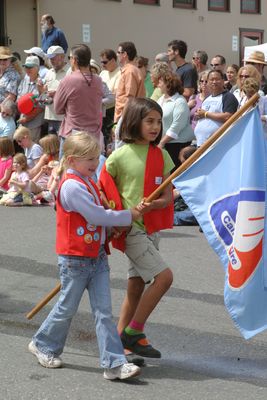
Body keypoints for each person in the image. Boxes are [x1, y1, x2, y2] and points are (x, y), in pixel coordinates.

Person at [28, 131, 141, 380]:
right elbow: (96, 216)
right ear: (71, 160)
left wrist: (109, 230)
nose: (94, 163)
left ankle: (113, 364)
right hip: (75, 258)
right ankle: (43, 344)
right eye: (88, 159)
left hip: (96, 256)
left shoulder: (88, 180)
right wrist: (127, 216)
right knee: (67, 307)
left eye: (96, 157)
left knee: (103, 311)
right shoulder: (71, 186)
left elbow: (99, 215)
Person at [99, 98, 174, 360]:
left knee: (136, 286)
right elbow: (103, 189)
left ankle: (119, 344)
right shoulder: (118, 156)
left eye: (158, 121)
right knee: (164, 278)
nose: (155, 126)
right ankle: (134, 332)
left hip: (151, 229)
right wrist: (112, 217)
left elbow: (168, 196)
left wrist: (154, 205)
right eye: (149, 121)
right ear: (134, 122)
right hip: (130, 230)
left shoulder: (162, 155)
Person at [54, 44, 104, 156]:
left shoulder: (68, 80)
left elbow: (57, 109)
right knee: (89, 172)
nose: (70, 61)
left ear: (75, 60)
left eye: (70, 58)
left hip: (73, 136)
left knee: (67, 171)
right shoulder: (98, 80)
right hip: (93, 136)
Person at [156, 71, 195, 169]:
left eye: (160, 82)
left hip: (178, 146)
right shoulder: (161, 99)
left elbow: (176, 127)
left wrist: (161, 142)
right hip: (165, 144)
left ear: (168, 85)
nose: (158, 85)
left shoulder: (180, 102)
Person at [194, 70, 238, 147]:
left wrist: (205, 114)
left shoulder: (228, 97)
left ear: (223, 81)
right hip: (200, 144)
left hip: (216, 145)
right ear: (207, 82)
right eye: (211, 79)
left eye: (217, 79)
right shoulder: (207, 98)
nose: (214, 82)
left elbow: (228, 117)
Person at [114, 41, 145, 123]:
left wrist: (121, 121)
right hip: (127, 116)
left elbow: (130, 98)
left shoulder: (129, 71)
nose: (117, 55)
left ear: (124, 54)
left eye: (118, 52)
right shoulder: (130, 70)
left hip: (126, 118)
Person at [41, 45, 69, 134]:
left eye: (53, 58)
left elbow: (74, 93)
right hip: (50, 116)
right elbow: (44, 94)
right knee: (52, 146)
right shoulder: (49, 72)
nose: (51, 60)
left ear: (62, 56)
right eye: (50, 58)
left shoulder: (70, 71)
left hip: (64, 117)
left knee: (63, 146)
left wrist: (57, 94)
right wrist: (42, 91)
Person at [17, 56, 45, 142]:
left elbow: (42, 106)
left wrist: (27, 118)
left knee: (33, 148)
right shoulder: (24, 81)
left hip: (34, 123)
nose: (28, 69)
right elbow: (19, 98)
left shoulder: (42, 83)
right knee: (22, 147)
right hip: (23, 121)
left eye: (30, 67)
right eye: (26, 67)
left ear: (37, 68)